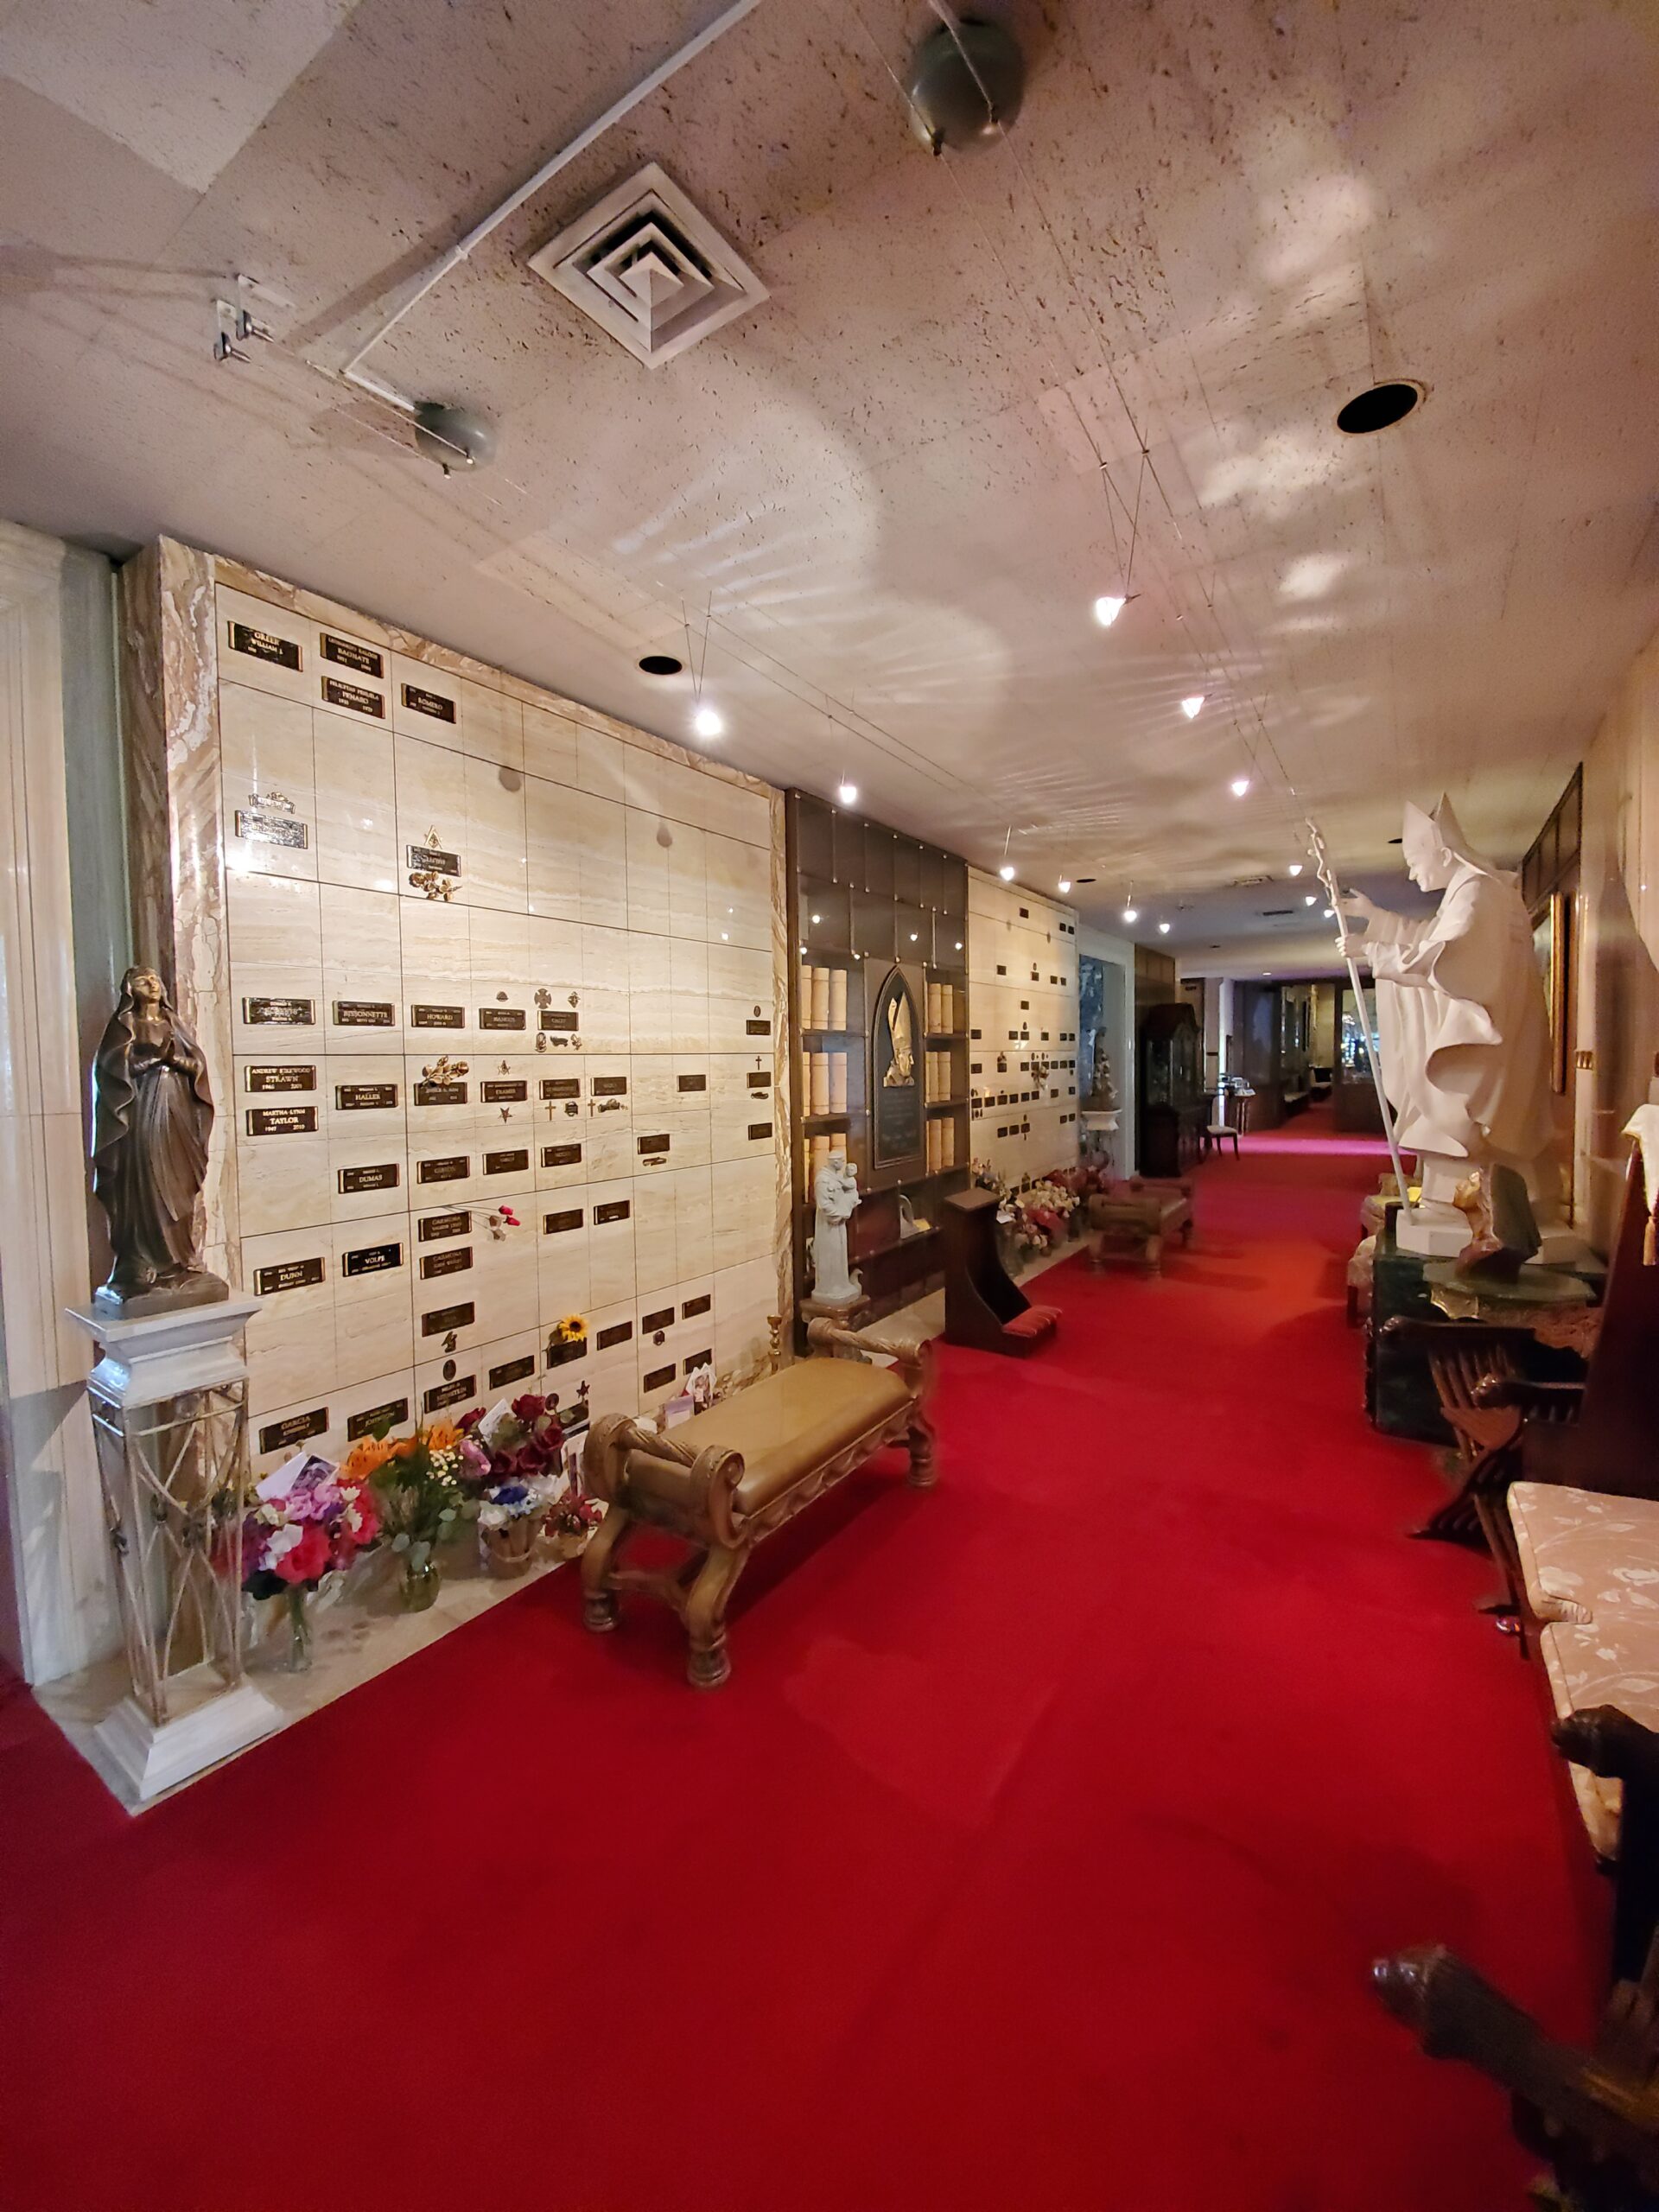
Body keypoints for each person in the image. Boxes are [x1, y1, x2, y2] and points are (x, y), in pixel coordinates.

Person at [1338, 798, 1555, 1236]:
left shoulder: (1479, 891)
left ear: (1442, 852)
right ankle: (1461, 1202)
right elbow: (1432, 937)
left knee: (1464, 1115)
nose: (1413, 873)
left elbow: (1449, 956)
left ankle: (1489, 1210)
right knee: (1450, 1119)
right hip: (1493, 1033)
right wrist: (1377, 921)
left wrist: (1374, 950)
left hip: (1491, 1039)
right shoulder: (1469, 892)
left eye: (1415, 861)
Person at [91, 965, 223, 1308]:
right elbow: (111, 1072)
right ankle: (144, 1262)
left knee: (178, 1182)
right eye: (141, 980)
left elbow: (197, 1066)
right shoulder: (126, 1026)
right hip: (141, 1114)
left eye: (155, 979)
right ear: (128, 989)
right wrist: (148, 1063)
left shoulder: (174, 1025)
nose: (151, 983)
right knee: (148, 1182)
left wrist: (175, 1060)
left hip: (175, 1109)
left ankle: (180, 1259)